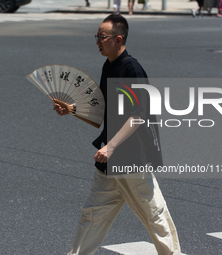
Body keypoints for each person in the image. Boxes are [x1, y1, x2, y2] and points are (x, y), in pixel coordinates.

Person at [54, 14, 181, 255]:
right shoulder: (109, 65)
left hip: (132, 160)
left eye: (102, 37)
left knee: (155, 216)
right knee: (92, 215)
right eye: (97, 36)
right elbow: (102, 107)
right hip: (109, 161)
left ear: (118, 38)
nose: (97, 42)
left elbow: (139, 114)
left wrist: (110, 146)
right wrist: (71, 110)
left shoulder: (131, 69)